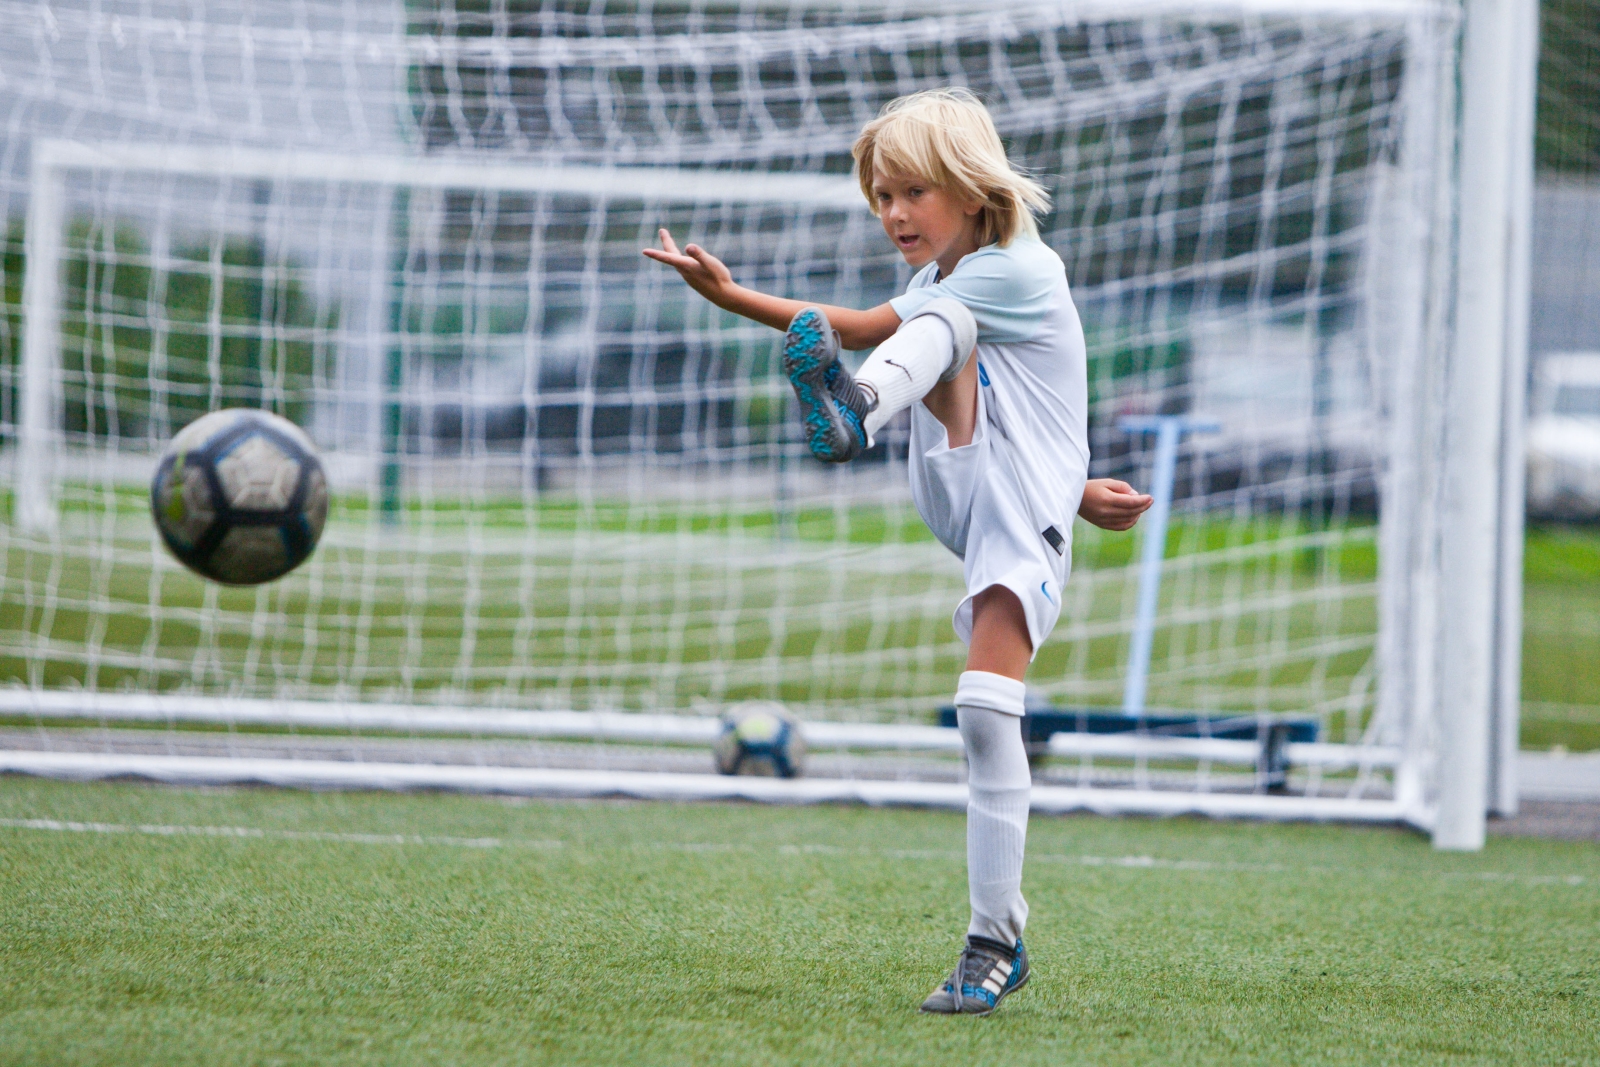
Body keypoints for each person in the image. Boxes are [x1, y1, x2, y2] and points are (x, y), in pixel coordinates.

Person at [645, 87, 1151, 1016]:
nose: (894, 213)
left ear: (970, 187)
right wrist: (727, 295)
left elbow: (878, 336)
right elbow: (883, 333)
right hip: (970, 473)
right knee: (938, 324)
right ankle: (853, 410)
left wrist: (1065, 490)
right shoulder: (942, 291)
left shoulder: (1019, 269)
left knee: (985, 708)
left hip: (1011, 509)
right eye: (881, 196)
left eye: (913, 191)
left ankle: (995, 938)